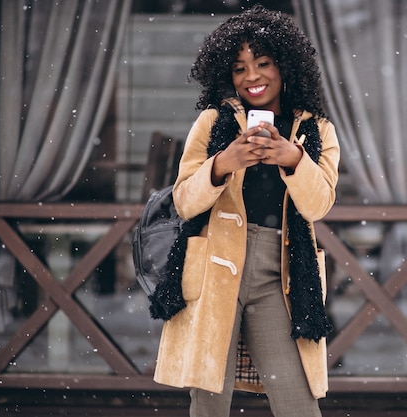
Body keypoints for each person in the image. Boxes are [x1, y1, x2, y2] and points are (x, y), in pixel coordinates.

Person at [148, 5, 340, 417]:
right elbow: (183, 202)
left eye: (264, 63)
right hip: (214, 267)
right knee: (209, 401)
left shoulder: (315, 130)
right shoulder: (213, 121)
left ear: (286, 65)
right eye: (239, 68)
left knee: (296, 400)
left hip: (280, 274)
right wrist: (223, 164)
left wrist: (292, 159)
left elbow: (319, 204)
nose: (252, 76)